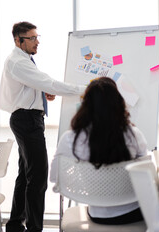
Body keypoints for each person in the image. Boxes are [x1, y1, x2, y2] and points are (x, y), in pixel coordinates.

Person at [0, 21, 86, 232]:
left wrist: (42, 92)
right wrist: (85, 89)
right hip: (26, 120)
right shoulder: (18, 62)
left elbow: (37, 85)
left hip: (27, 118)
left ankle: (14, 225)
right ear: (18, 41)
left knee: (26, 175)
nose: (37, 42)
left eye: (38, 37)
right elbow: (49, 82)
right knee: (38, 176)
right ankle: (34, 228)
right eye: (32, 38)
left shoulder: (24, 60)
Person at [50, 77, 147, 225]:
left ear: (85, 105)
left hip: (97, 214)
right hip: (132, 212)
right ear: (118, 102)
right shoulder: (133, 134)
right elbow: (146, 174)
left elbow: (55, 177)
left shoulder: (70, 138)